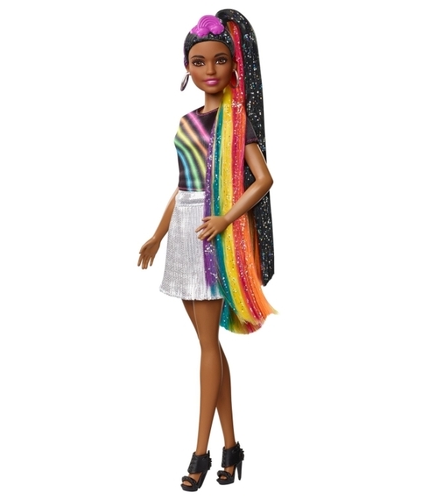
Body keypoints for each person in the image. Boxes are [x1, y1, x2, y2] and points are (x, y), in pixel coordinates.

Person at [137, 9, 276, 491]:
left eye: (220, 60)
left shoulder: (236, 122)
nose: (210, 70)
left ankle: (201, 451)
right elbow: (182, 186)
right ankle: (232, 448)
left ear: (234, 65)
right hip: (183, 230)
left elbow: (264, 179)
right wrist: (158, 234)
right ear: (187, 68)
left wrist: (226, 218)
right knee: (207, 346)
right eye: (199, 62)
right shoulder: (186, 121)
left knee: (208, 347)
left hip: (214, 233)